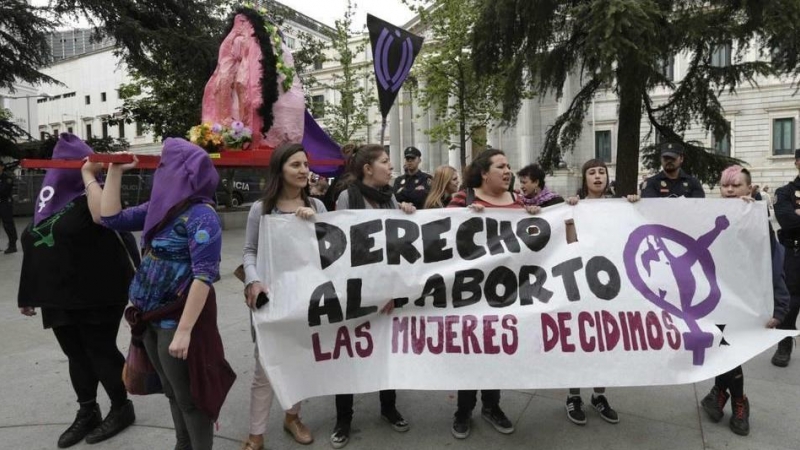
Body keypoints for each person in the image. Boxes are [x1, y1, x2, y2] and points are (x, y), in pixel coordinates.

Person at [100, 138, 235, 450]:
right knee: (172, 392)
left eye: (164, 165)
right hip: (149, 319)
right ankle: (182, 444)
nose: (158, 171)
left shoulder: (201, 215)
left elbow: (204, 275)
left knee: (190, 398)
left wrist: (185, 331)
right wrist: (114, 171)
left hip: (176, 320)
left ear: (182, 172)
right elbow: (111, 218)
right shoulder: (160, 209)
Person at [17, 133, 137, 448]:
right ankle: (88, 411)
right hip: (57, 295)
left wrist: (91, 175)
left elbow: (104, 217)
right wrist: (28, 293)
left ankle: (121, 407)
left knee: (100, 350)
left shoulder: (94, 193)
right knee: (75, 353)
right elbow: (34, 246)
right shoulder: (48, 202)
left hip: (98, 290)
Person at [447, 149, 539, 440]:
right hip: (470, 292)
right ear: (484, 173)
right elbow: (440, 236)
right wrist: (462, 219)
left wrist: (536, 217)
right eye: (501, 166)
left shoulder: (519, 201)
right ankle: (463, 410)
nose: (508, 171)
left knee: (495, 350)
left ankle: (491, 406)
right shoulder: (464, 199)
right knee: (470, 351)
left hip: (506, 292)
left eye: (509, 165)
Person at [331, 143, 416, 448]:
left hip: (384, 290)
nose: (391, 167)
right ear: (368, 169)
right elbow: (338, 246)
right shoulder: (347, 197)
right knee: (348, 354)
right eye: (384, 162)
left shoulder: (390, 197)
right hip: (354, 291)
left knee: (385, 352)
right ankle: (344, 418)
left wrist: (406, 214)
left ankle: (388, 408)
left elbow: (397, 246)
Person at [241, 143, 321, 450]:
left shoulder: (318, 206)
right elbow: (250, 251)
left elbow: (330, 251)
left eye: (305, 164)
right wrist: (254, 280)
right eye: (295, 165)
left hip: (305, 301)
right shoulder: (261, 209)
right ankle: (255, 433)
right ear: (280, 170)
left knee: (298, 361)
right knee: (264, 369)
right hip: (270, 301)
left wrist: (315, 223)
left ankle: (293, 417)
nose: (303, 170)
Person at [699, 165, 789, 436]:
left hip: (746, 302)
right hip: (714, 301)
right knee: (722, 348)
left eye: (736, 185)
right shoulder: (707, 217)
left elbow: (774, 265)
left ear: (749, 189)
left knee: (730, 350)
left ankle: (733, 399)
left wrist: (780, 306)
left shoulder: (758, 221)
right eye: (725, 185)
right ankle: (724, 396)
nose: (729, 190)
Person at [564, 159, 640, 426]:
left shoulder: (621, 206)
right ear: (584, 179)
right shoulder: (573, 206)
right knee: (578, 341)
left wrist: (634, 205)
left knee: (605, 342)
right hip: (581, 283)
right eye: (592, 173)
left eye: (602, 172)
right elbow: (569, 243)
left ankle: (599, 395)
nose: (598, 177)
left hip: (611, 285)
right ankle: (573, 396)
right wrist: (570, 216)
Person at [771, 149, 800, 367]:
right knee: (792, 300)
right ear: (797, 162)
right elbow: (787, 220)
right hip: (795, 253)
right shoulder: (785, 192)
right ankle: (784, 343)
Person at [640, 143, 705, 198]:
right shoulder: (651, 183)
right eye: (666, 158)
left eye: (673, 158)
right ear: (661, 159)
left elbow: (698, 207)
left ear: (681, 159)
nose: (669, 161)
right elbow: (649, 207)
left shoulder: (693, 183)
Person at [0, 159, 18, 253]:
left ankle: (12, 245)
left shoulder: (7, 178)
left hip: (5, 203)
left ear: (2, 167)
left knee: (8, 224)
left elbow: (3, 191)